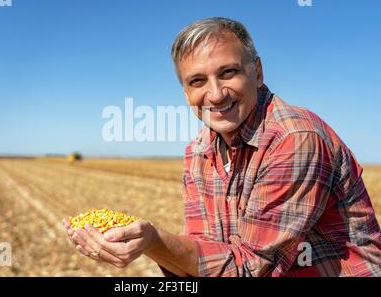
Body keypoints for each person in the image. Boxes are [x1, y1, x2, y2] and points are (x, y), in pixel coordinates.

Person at [63, 17, 381, 276]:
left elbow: (252, 267)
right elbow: (206, 251)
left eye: (227, 73)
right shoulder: (199, 150)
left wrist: (154, 242)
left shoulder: (294, 139)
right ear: (185, 93)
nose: (215, 95)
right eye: (197, 81)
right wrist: (146, 244)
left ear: (257, 72)